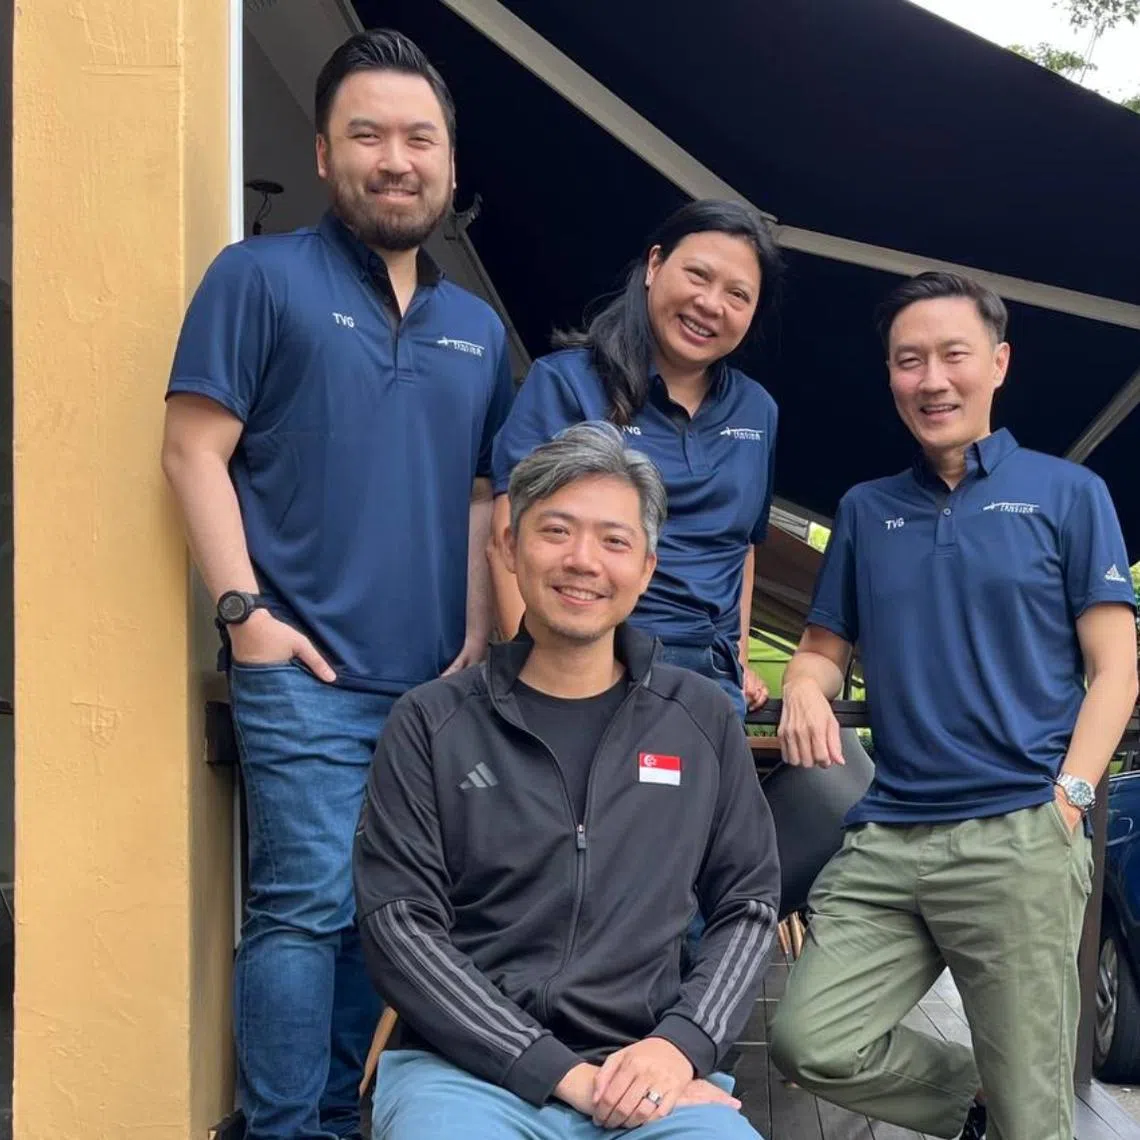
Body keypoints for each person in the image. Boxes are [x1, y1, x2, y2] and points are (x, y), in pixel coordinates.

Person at [161, 29, 513, 1140]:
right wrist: (244, 615)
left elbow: (477, 501)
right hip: (303, 670)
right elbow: (191, 450)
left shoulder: (478, 332)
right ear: (324, 153)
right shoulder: (256, 277)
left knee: (392, 919)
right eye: (368, 134)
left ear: (452, 164)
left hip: (432, 690)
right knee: (304, 911)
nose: (396, 159)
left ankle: (339, 1116)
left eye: (420, 138)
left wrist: (474, 641)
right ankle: (282, 1129)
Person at [769, 271, 1139, 1140]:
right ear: (891, 377)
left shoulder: (1068, 494)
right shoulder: (866, 510)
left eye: (952, 356)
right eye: (908, 361)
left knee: (1033, 1119)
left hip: (1019, 835)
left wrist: (1071, 800)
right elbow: (824, 650)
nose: (931, 379)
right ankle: (980, 1092)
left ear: (998, 364)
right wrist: (799, 685)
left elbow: (1117, 669)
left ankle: (1013, 1094)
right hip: (887, 836)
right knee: (807, 1040)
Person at [354, 422, 780, 1140]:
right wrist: (562, 1074)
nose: (584, 561)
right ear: (511, 549)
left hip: (646, 1071)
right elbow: (399, 926)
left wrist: (680, 1047)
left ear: (646, 568)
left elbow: (749, 904)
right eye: (557, 531)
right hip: (467, 1074)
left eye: (614, 541)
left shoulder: (700, 718)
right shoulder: (430, 723)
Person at [488, 200, 783, 719]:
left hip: (707, 685)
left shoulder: (758, 410)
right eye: (698, 275)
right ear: (653, 267)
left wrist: (736, 655)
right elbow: (507, 533)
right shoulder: (568, 383)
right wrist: (528, 677)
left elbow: (742, 547)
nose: (711, 304)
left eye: (738, 295)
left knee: (701, 802)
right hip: (587, 659)